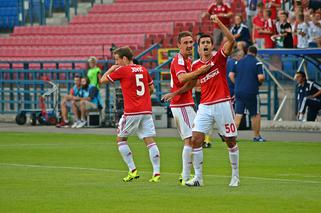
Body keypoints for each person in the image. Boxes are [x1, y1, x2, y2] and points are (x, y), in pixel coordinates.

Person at [185, 15, 239, 187]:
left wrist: (219, 24)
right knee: (195, 139)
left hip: (223, 103)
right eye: (203, 43)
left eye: (208, 42)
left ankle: (235, 176)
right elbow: (191, 83)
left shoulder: (219, 58)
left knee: (230, 141)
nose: (206, 45)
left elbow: (231, 40)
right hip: (205, 106)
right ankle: (198, 178)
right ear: (199, 49)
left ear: (212, 46)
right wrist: (175, 93)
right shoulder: (195, 66)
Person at [101, 46, 161, 183]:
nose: (116, 63)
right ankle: (156, 173)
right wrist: (143, 98)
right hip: (146, 110)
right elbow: (151, 88)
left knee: (121, 140)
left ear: (124, 58)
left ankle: (132, 170)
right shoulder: (143, 69)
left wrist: (111, 69)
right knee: (149, 141)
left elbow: (102, 80)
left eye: (117, 60)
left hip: (132, 111)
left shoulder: (123, 70)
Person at [161, 31, 211, 184]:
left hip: (185, 103)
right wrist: (200, 72)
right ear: (178, 45)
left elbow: (190, 83)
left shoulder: (188, 61)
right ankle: (185, 176)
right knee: (191, 140)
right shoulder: (179, 61)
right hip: (181, 104)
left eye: (191, 42)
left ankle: (187, 175)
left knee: (194, 139)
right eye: (186, 43)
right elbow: (182, 78)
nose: (189, 45)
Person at [229, 46, 266, 142]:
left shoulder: (239, 61)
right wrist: (259, 83)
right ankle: (257, 136)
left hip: (238, 91)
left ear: (248, 52)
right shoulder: (257, 62)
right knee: (255, 114)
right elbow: (261, 77)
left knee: (238, 114)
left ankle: (232, 136)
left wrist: (237, 84)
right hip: (251, 91)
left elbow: (231, 75)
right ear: (255, 53)